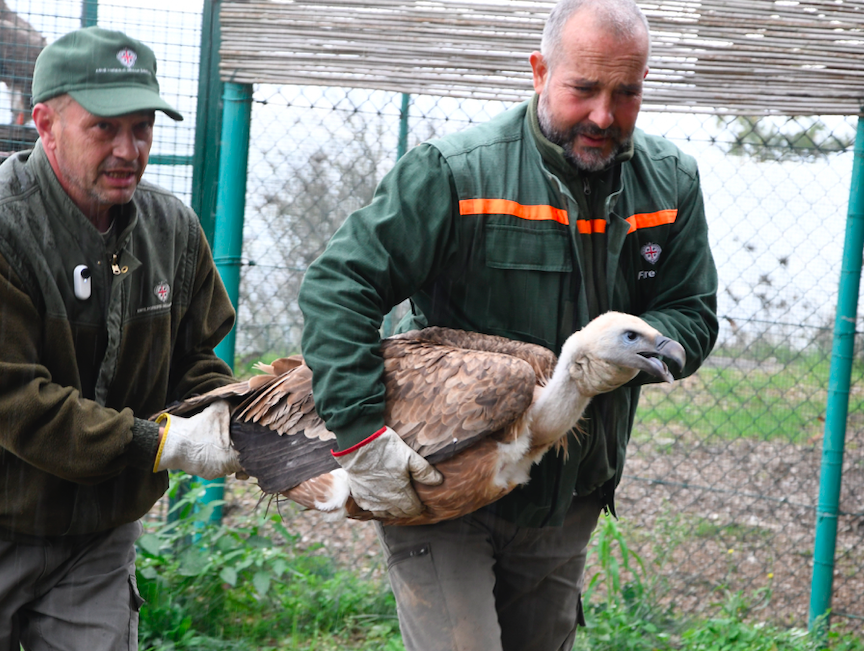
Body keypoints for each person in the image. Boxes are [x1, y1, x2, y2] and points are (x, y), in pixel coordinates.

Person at [299, 0, 719, 649]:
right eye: (582, 89)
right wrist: (361, 434)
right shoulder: (455, 174)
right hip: (443, 484)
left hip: (565, 490)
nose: (603, 116)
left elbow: (690, 309)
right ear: (538, 71)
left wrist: (635, 349)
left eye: (625, 93)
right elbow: (339, 284)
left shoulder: (668, 184)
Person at [0, 27, 242, 650]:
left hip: (100, 533)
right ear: (45, 123)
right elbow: (18, 401)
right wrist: (162, 444)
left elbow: (195, 358)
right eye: (105, 128)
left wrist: (238, 415)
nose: (130, 149)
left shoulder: (171, 230)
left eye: (143, 127)